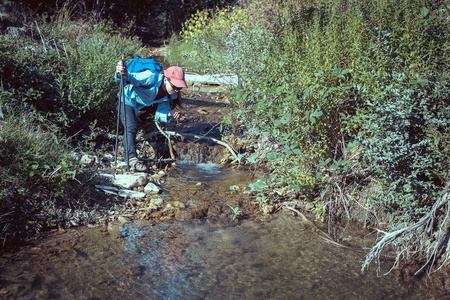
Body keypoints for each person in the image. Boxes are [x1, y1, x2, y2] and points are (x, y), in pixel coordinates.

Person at [115, 59, 188, 172]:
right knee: (131, 126)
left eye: (180, 88)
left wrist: (171, 114)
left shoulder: (169, 95)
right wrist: (120, 72)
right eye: (175, 87)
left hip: (142, 105)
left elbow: (159, 115)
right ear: (165, 79)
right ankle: (131, 158)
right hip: (126, 100)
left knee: (137, 123)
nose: (177, 91)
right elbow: (127, 78)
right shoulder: (150, 77)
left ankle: (142, 121)